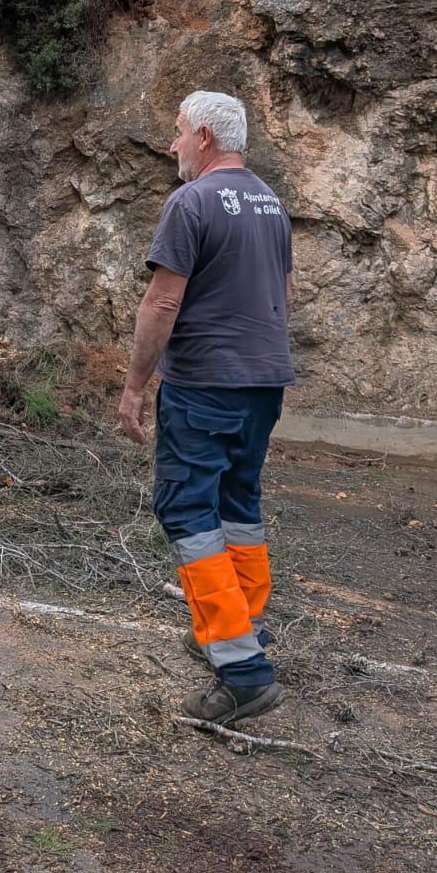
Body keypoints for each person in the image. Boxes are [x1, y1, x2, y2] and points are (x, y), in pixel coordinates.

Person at [117, 89, 293, 724]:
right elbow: (285, 291)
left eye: (180, 131)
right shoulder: (270, 202)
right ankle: (237, 627)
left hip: (205, 382)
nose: (173, 144)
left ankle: (242, 671)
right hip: (262, 381)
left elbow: (162, 303)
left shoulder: (190, 201)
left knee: (187, 507)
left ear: (207, 140)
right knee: (236, 504)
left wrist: (135, 385)